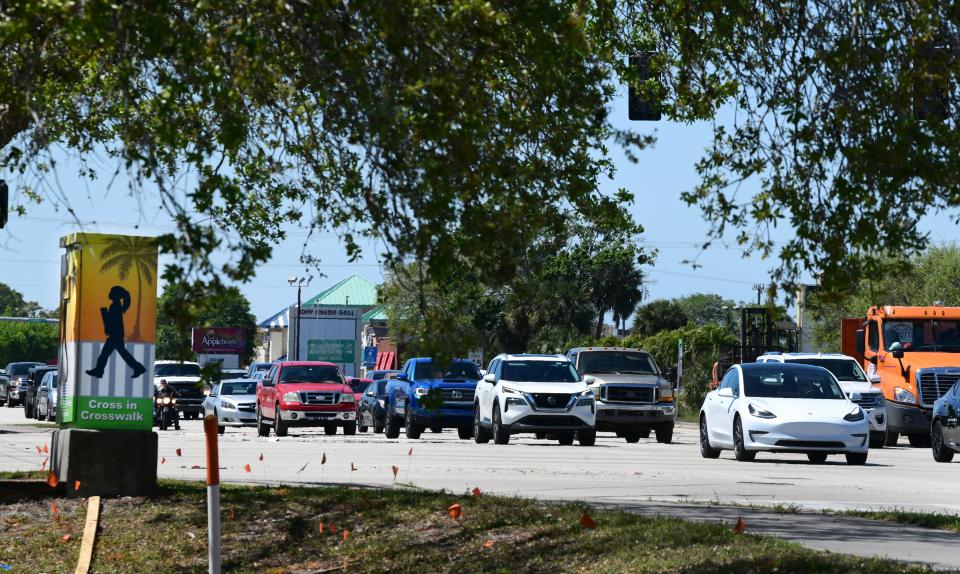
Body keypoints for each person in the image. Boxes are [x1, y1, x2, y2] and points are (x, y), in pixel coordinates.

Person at [85, 285, 146, 378]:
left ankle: (99, 371)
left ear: (115, 295)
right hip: (116, 334)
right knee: (121, 353)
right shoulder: (116, 305)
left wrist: (108, 327)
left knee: (106, 353)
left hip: (115, 335)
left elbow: (114, 321)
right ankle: (138, 368)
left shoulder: (115, 306)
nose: (109, 294)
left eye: (111, 292)